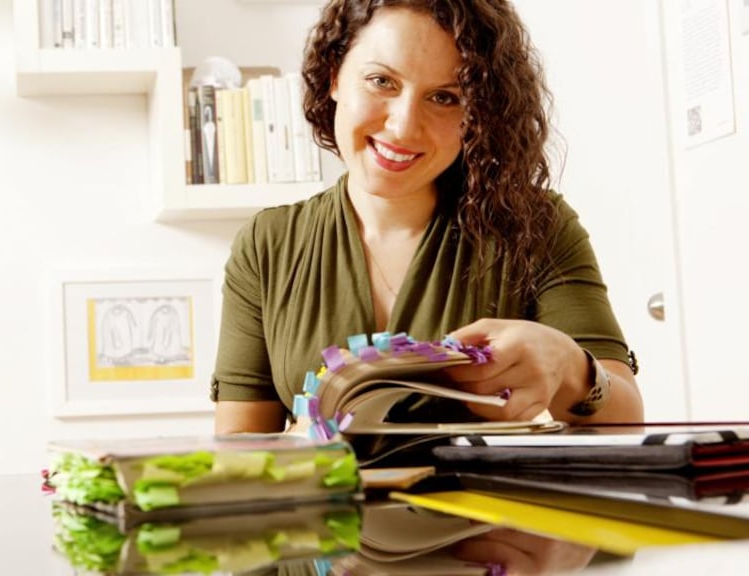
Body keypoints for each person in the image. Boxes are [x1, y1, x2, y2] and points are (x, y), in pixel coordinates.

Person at [212, 0, 643, 434]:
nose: (403, 126)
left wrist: (571, 366)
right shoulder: (267, 244)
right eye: (381, 81)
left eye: (444, 97)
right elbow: (239, 448)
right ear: (334, 76)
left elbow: (626, 422)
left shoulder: (537, 226)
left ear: (477, 113)